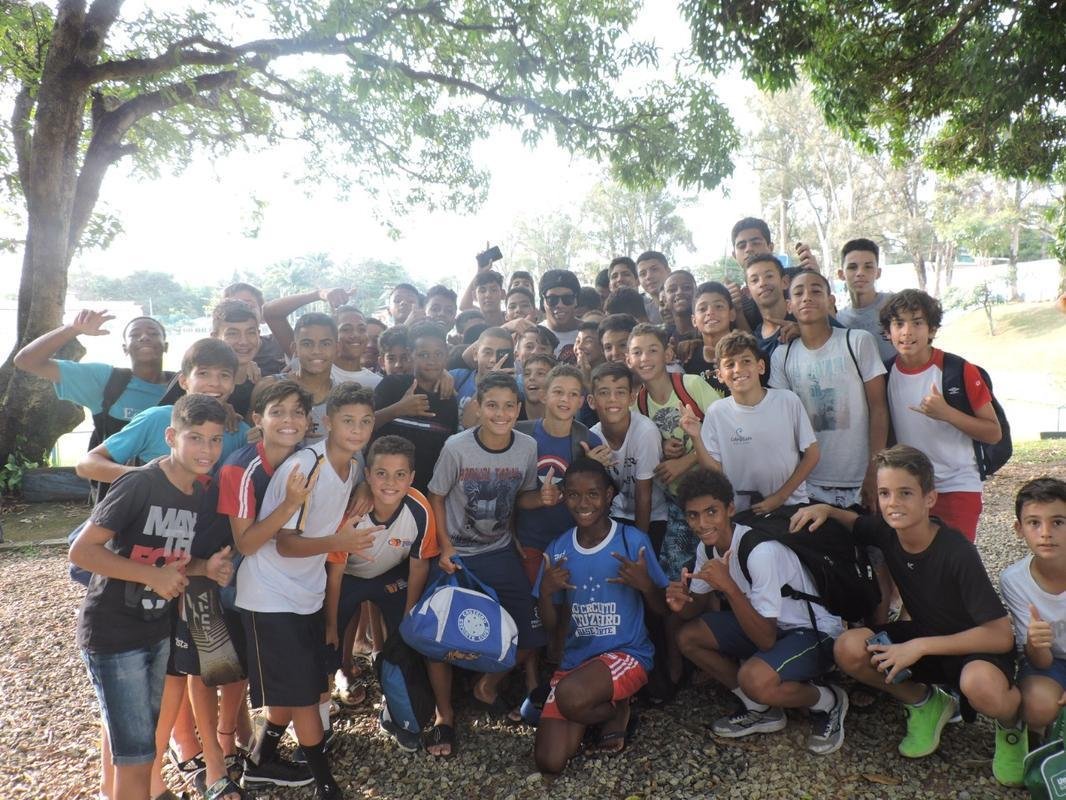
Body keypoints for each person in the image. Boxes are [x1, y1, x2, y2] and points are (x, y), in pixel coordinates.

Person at [793, 445, 1022, 784]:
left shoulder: (957, 551)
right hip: (925, 639)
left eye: (905, 493)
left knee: (980, 684)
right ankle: (925, 702)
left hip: (975, 652)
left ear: (930, 498)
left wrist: (919, 646)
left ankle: (1013, 726)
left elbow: (1001, 635)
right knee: (849, 647)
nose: (893, 503)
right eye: (885, 493)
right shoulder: (888, 532)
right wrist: (826, 509)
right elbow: (856, 523)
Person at [70, 394, 234, 800]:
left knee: (139, 741)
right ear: (171, 437)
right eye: (196, 438)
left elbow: (169, 558)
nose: (207, 449)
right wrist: (151, 576)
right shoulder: (139, 483)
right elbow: (82, 552)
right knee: (137, 755)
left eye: (215, 440)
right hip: (113, 633)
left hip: (156, 629)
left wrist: (205, 568)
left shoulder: (197, 492)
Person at [235, 383, 380, 800]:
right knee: (305, 695)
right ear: (328, 422)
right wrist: (339, 542)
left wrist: (364, 487)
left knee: (300, 685)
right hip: (270, 594)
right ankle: (325, 783)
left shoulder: (352, 464)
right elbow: (285, 544)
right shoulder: (306, 466)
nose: (357, 429)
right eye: (348, 421)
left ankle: (259, 762)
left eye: (365, 421)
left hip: (306, 593)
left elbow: (354, 479)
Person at [424, 372, 558, 758]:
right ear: (478, 408)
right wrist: (445, 546)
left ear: (519, 408)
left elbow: (523, 497)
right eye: (492, 405)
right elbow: (436, 495)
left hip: (497, 549)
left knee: (530, 632)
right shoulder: (457, 447)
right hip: (456, 553)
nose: (501, 413)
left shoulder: (527, 446)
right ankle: (444, 715)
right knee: (436, 636)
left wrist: (543, 499)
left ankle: (488, 684)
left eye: (509, 406)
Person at [670, 467, 848, 755]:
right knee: (688, 637)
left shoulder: (760, 551)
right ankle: (760, 708)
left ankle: (828, 701)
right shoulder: (708, 548)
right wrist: (680, 602)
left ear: (729, 509)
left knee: (754, 679)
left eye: (711, 512)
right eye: (693, 515)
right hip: (772, 626)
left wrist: (729, 587)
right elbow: (693, 612)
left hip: (813, 632)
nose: (702, 523)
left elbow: (765, 640)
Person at [533, 458, 669, 775]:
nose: (583, 504)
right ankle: (602, 709)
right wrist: (545, 592)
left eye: (593, 494)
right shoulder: (558, 549)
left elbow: (662, 610)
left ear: (609, 495)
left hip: (626, 654)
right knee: (549, 762)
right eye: (574, 495)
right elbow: (551, 626)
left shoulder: (631, 540)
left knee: (570, 697)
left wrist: (646, 586)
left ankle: (614, 709)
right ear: (564, 497)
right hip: (576, 663)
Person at [217, 380, 315, 789]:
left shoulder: (306, 458)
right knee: (239, 671)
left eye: (297, 412)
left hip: (287, 581)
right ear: (258, 419)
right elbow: (246, 544)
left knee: (285, 672)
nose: (289, 420)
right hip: (238, 582)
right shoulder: (241, 468)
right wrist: (289, 504)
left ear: (308, 420)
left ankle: (261, 756)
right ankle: (226, 753)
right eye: (278, 412)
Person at [323, 435, 440, 751]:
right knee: (326, 640)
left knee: (403, 639)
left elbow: (419, 565)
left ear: (412, 477)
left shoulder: (419, 508)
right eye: (381, 473)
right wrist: (331, 624)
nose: (390, 482)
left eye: (400, 474)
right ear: (367, 475)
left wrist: (408, 616)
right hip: (348, 577)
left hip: (390, 575)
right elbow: (334, 573)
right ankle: (318, 719)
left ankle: (396, 706)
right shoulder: (353, 511)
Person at [879, 289, 1003, 541]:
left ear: (932, 329)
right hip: (909, 487)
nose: (907, 332)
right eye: (899, 323)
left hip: (958, 484)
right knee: (915, 556)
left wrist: (948, 413)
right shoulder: (885, 373)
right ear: (888, 332)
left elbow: (993, 433)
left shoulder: (958, 370)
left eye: (917, 323)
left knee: (955, 557)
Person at [769, 269, 888, 511]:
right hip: (809, 484)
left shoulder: (857, 341)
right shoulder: (782, 355)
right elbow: (781, 422)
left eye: (816, 291)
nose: (807, 297)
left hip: (860, 481)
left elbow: (879, 408)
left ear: (831, 300)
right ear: (789, 305)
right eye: (798, 293)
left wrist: (874, 470)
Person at [76, 339, 250, 485]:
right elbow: (87, 465)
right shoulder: (157, 418)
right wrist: (146, 478)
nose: (215, 383)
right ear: (184, 381)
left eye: (224, 375)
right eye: (203, 373)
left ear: (233, 384)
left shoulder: (239, 431)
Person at [683, 331, 819, 514]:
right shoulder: (716, 412)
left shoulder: (787, 400)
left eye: (746, 361)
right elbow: (714, 471)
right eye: (729, 364)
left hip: (791, 506)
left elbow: (812, 454)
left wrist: (779, 497)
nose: (738, 369)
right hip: (743, 512)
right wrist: (696, 437)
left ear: (760, 366)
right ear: (720, 375)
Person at [626, 323, 722, 577]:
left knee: (720, 565)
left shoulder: (691, 385)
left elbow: (725, 431)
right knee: (677, 574)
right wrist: (662, 447)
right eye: (637, 352)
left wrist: (686, 461)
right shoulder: (637, 405)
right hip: (678, 502)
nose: (644, 358)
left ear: (667, 354)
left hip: (715, 495)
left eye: (652, 350)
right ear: (628, 360)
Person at [14, 310, 172, 460]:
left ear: (166, 346)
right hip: (117, 479)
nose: (144, 337)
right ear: (125, 348)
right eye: (135, 334)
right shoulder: (106, 380)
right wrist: (73, 328)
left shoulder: (182, 385)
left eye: (153, 333)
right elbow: (26, 361)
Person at [1000, 478, 1066, 740]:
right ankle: (1035, 739)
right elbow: (1040, 661)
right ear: (1019, 529)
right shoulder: (1014, 580)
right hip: (1051, 663)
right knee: (1037, 705)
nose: (1046, 532)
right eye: (1034, 522)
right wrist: (1035, 643)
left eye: (1058, 522)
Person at [372, 321, 459, 495]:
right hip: (383, 488)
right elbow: (366, 425)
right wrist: (398, 409)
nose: (432, 361)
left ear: (446, 355)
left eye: (438, 354)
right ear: (411, 355)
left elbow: (448, 450)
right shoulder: (392, 385)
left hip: (425, 493)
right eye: (423, 354)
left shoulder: (448, 398)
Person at [588, 362, 666, 543]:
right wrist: (589, 464)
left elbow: (644, 496)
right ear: (591, 401)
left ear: (632, 398)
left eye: (620, 392)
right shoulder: (592, 437)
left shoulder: (645, 432)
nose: (612, 399)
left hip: (653, 514)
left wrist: (637, 545)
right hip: (616, 512)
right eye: (604, 392)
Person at [260, 313, 338, 446]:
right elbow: (248, 437)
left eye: (325, 343)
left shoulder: (344, 397)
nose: (316, 351)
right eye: (307, 344)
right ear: (294, 348)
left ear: (337, 348)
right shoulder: (269, 387)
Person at [835, 238, 896, 362]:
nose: (860, 273)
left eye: (868, 267)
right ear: (841, 274)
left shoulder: (896, 304)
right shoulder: (839, 320)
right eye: (852, 267)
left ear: (878, 273)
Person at [449, 326, 514, 427]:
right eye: (487, 352)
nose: (493, 359)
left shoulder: (514, 389)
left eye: (500, 354)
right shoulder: (457, 377)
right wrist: (442, 374)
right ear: (475, 354)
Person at [683, 281, 738, 395]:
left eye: (718, 306)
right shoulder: (689, 360)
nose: (710, 312)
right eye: (702, 309)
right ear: (694, 320)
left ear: (732, 314)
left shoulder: (750, 354)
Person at [210, 300, 263, 417]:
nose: (244, 341)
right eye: (232, 333)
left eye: (251, 332)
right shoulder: (196, 380)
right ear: (215, 337)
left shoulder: (261, 382)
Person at [222, 283, 287, 375]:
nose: (242, 310)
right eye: (234, 305)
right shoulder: (211, 354)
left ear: (261, 313)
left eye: (248, 305)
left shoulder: (279, 342)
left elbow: (271, 309)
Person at [331, 306, 382, 389]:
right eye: (346, 329)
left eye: (362, 329)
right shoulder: (320, 372)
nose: (355, 335)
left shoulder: (377, 383)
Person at [539, 270, 582, 363]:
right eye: (552, 299)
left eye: (567, 298)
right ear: (543, 302)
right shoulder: (534, 335)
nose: (560, 304)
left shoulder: (590, 333)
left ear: (576, 300)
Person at [608, 257, 661, 323]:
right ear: (610, 286)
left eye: (626, 274)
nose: (619, 279)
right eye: (614, 276)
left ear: (637, 281)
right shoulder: (607, 313)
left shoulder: (654, 309)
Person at [662, 270, 698, 343]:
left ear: (697, 293)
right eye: (672, 290)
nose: (679, 292)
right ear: (665, 300)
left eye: (687, 287)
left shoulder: (710, 331)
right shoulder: (664, 340)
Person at [520, 353, 557, 421]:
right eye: (527, 374)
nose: (531, 378)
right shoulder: (512, 411)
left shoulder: (562, 415)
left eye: (540, 373)